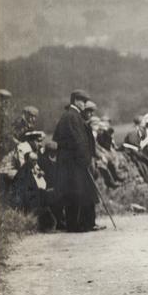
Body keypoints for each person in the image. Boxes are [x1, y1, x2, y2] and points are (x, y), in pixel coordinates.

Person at [52, 89, 99, 232]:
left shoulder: (73, 116)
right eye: (83, 101)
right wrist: (84, 159)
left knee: (79, 191)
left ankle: (82, 224)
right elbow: (77, 141)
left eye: (85, 101)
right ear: (75, 101)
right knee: (74, 192)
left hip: (75, 161)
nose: (85, 104)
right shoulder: (71, 116)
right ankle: (74, 225)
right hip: (73, 163)